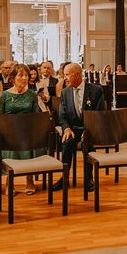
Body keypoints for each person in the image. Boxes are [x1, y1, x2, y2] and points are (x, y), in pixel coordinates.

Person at [53, 63, 106, 191]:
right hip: (72, 129)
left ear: (77, 75)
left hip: (90, 128)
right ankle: (64, 177)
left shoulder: (96, 90)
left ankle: (89, 178)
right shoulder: (65, 92)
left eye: (66, 75)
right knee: (67, 141)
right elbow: (62, 115)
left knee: (87, 143)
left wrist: (89, 130)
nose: (64, 78)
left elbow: (99, 114)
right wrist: (66, 128)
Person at [0, 63, 43, 195]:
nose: (25, 78)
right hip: (9, 131)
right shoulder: (3, 96)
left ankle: (30, 179)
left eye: (26, 75)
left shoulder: (32, 95)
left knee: (30, 139)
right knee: (10, 140)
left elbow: (36, 116)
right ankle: (10, 181)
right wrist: (8, 130)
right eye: (21, 75)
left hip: (27, 131)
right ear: (13, 78)